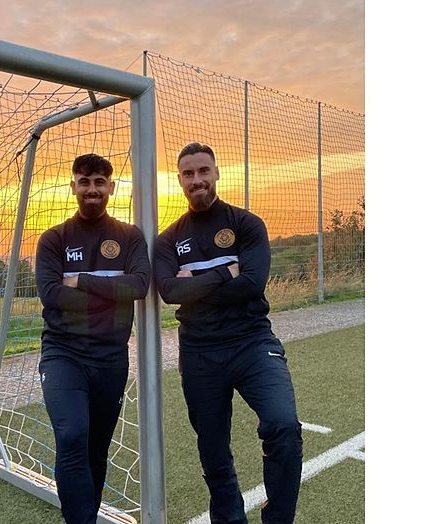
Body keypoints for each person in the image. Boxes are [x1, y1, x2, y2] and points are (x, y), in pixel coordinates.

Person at [154, 142, 303, 524]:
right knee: (213, 451)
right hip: (200, 352)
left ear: (217, 173)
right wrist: (225, 272)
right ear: (180, 181)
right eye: (189, 174)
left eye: (204, 171)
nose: (197, 180)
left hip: (252, 343)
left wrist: (196, 282)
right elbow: (170, 292)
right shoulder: (168, 240)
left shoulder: (246, 224)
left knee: (283, 426)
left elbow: (252, 285)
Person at [35, 153, 150, 524]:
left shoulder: (129, 237)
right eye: (84, 182)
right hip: (63, 354)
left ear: (111, 188)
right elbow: (53, 296)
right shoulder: (53, 240)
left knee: (96, 450)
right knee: (72, 436)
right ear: (73, 187)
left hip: (110, 359)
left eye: (99, 182)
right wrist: (109, 295)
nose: (92, 190)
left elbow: (139, 285)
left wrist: (82, 281)